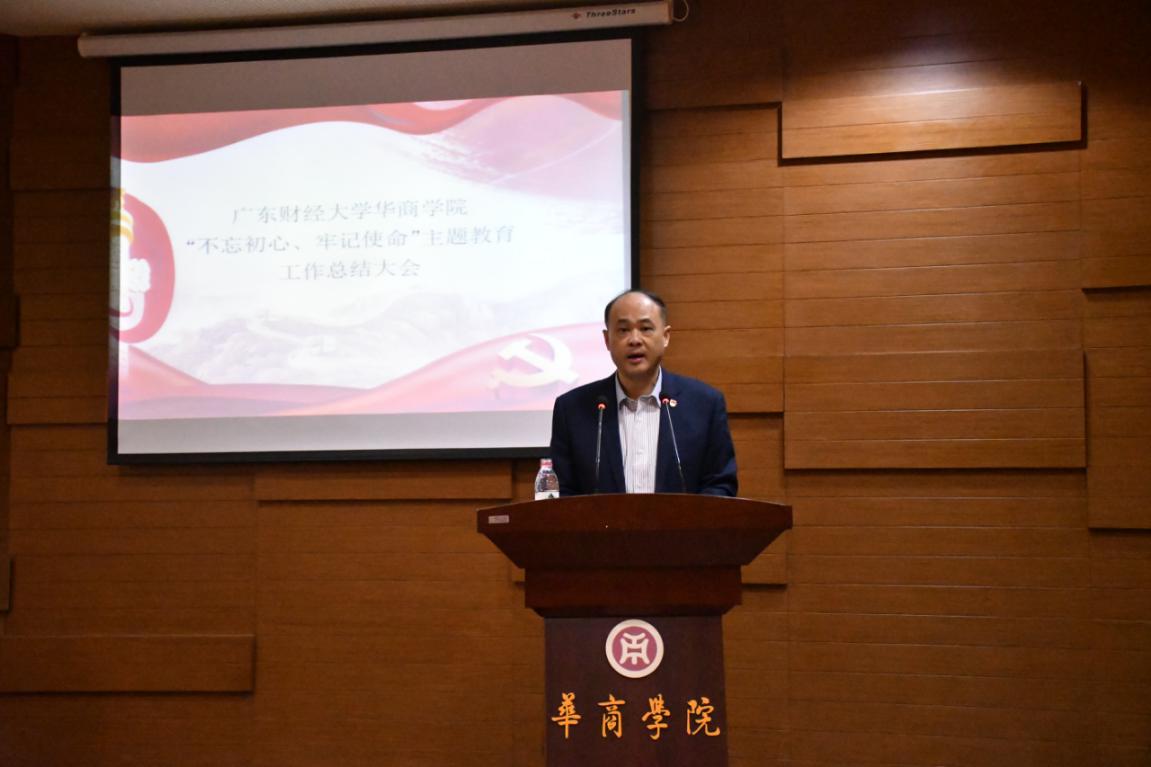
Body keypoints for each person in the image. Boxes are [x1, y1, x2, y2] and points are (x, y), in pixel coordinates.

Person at [549, 290, 738, 496]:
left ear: (665, 336)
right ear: (607, 340)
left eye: (646, 328)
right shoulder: (573, 410)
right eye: (623, 330)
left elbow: (720, 484)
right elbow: (562, 492)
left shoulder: (704, 404)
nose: (634, 340)